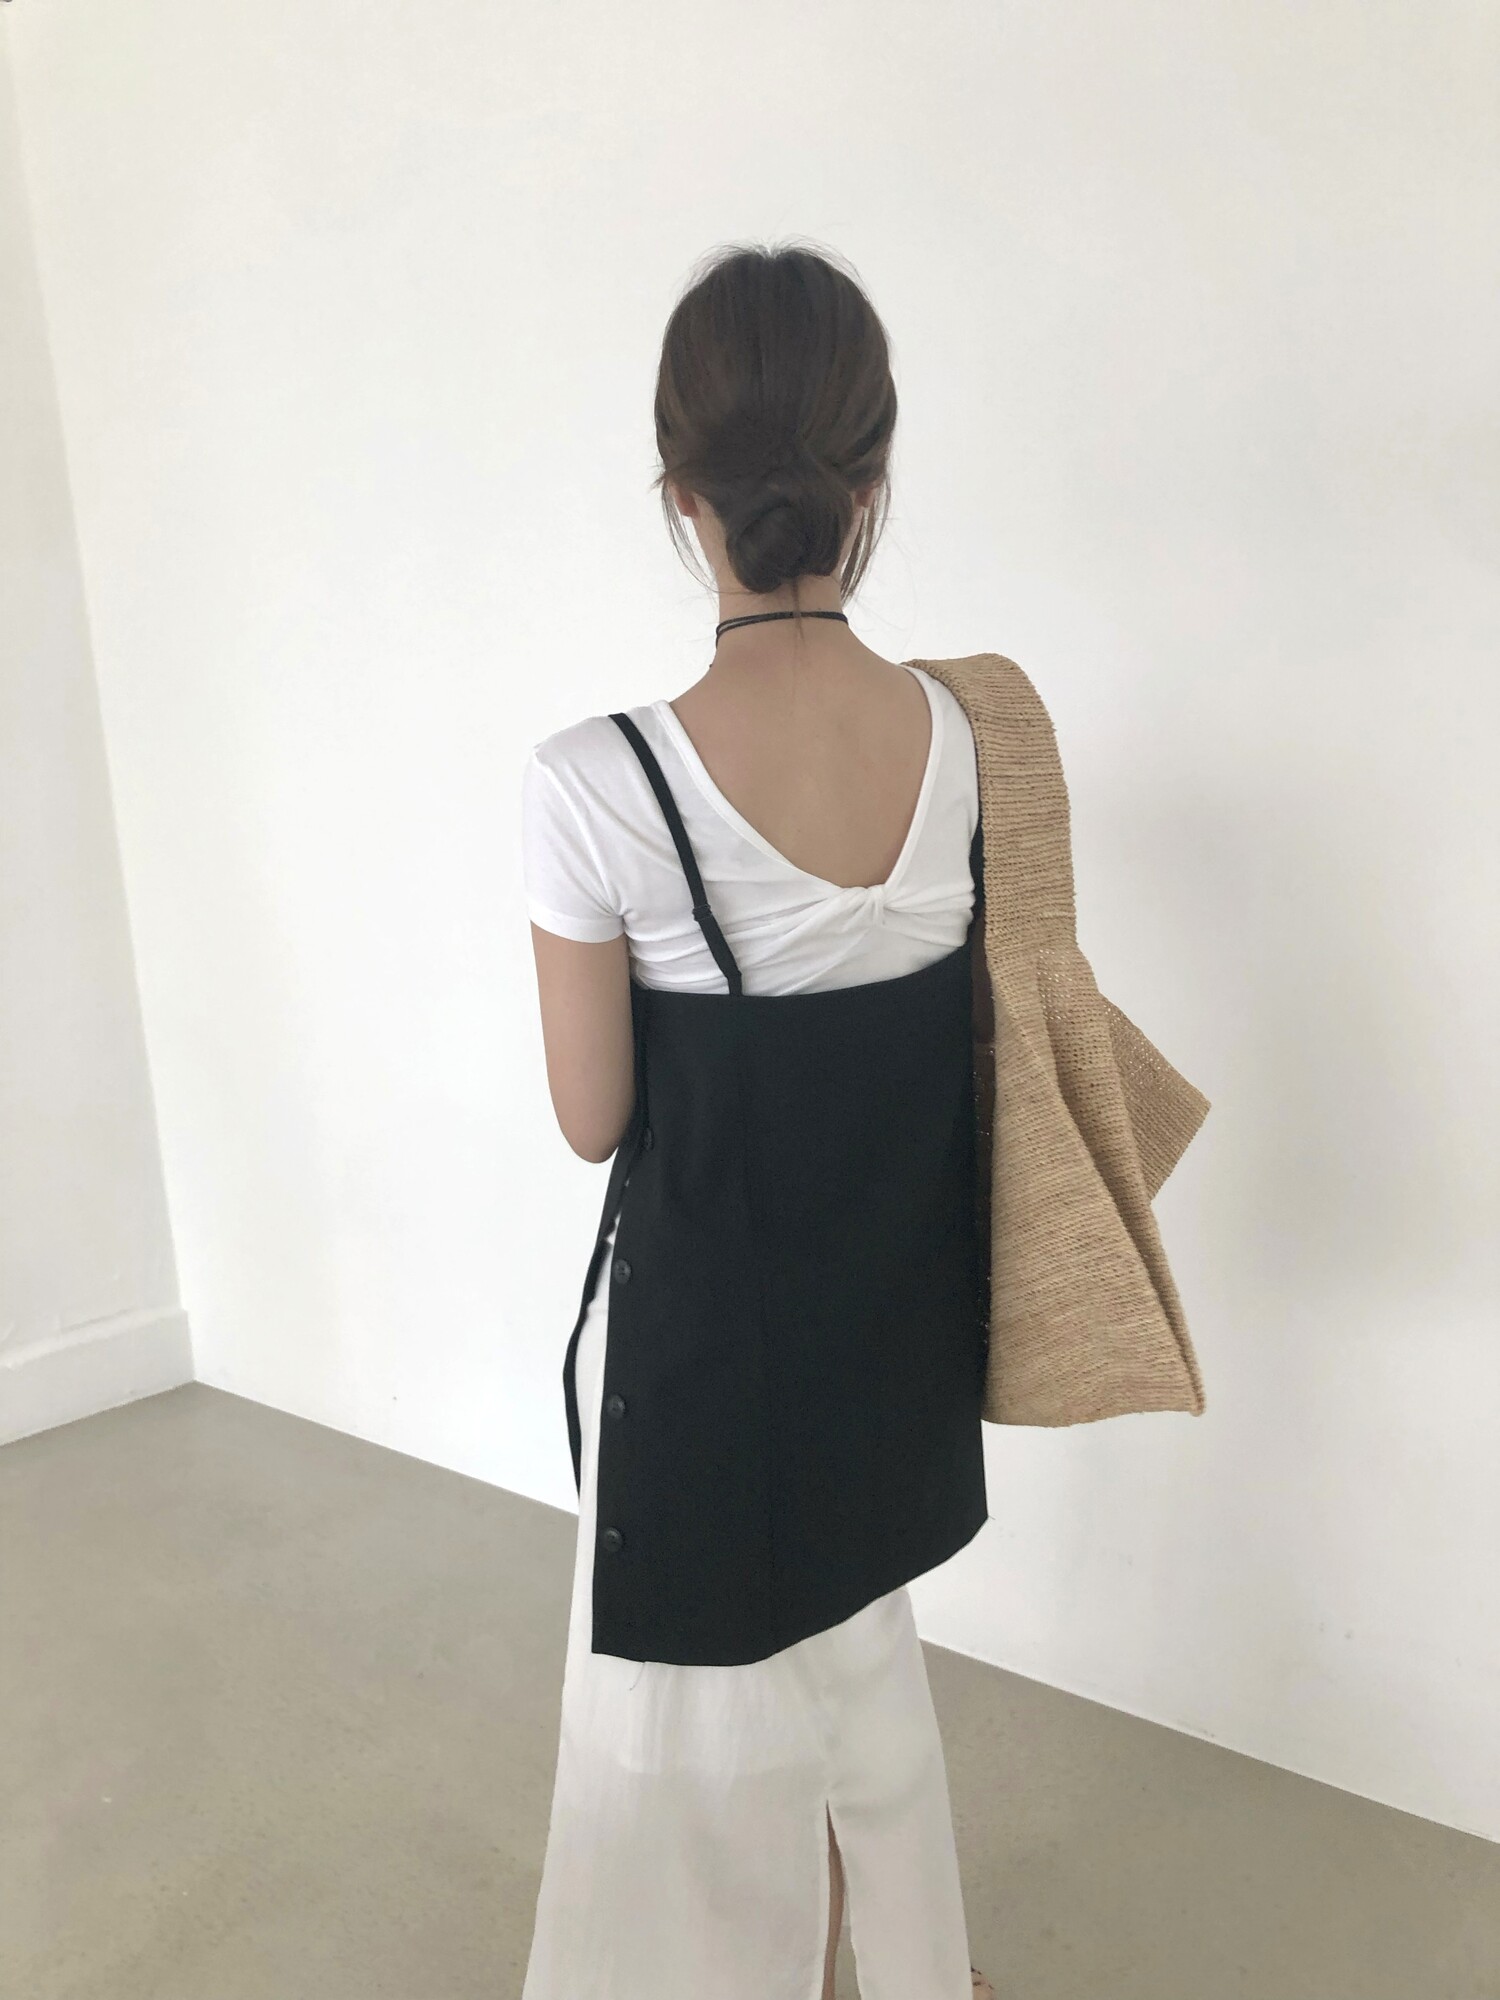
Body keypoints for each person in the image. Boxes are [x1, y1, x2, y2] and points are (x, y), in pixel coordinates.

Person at [519, 240, 997, 2000]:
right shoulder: (966, 734)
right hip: (895, 1335)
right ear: (873, 483)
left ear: (681, 492)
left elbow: (593, 1119)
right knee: (865, 1676)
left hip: (712, 1363)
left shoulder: (597, 782)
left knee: (677, 1738)